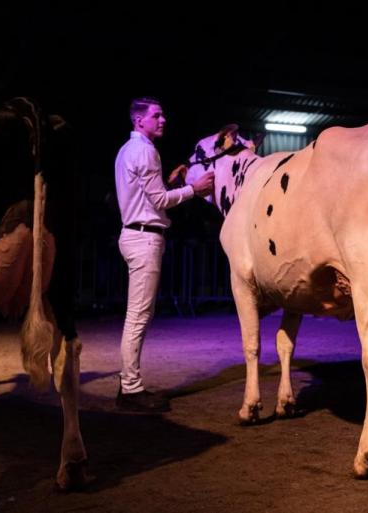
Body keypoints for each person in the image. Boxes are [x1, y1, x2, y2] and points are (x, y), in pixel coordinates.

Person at [114, 97, 214, 412]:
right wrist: (193, 190)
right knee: (138, 316)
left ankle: (128, 384)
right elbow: (157, 200)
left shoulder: (127, 151)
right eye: (156, 115)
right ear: (138, 120)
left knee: (138, 315)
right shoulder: (145, 151)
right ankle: (130, 389)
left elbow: (147, 194)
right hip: (144, 237)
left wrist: (173, 184)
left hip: (135, 233)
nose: (163, 119)